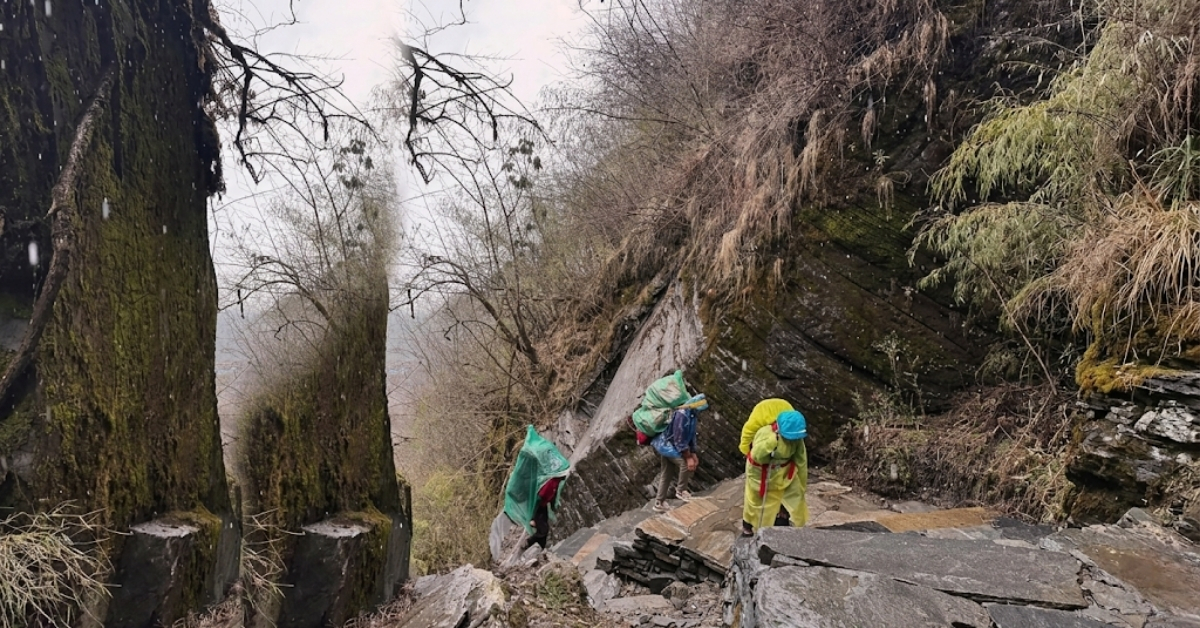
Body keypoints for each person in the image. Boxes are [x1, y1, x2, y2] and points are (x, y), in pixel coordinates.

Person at [740, 398, 808, 536]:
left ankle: (782, 520)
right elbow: (757, 455)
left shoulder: (797, 440)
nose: (792, 440)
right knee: (756, 501)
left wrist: (801, 482)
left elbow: (801, 460)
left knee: (793, 497)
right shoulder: (766, 434)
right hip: (760, 472)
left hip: (784, 473)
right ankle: (749, 525)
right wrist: (771, 443)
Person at [652, 402, 703, 512]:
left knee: (666, 473)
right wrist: (688, 457)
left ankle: (658, 502)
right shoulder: (682, 415)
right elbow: (679, 439)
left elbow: (692, 435)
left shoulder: (692, 415)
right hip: (668, 447)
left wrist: (693, 452)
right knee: (685, 465)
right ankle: (681, 491)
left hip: (665, 445)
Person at [525, 475, 564, 549]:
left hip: (543, 506)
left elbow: (553, 496)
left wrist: (553, 507)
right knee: (543, 530)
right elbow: (539, 498)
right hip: (537, 506)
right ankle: (528, 542)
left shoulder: (556, 482)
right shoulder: (551, 482)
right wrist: (533, 517)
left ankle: (541, 548)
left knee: (544, 529)